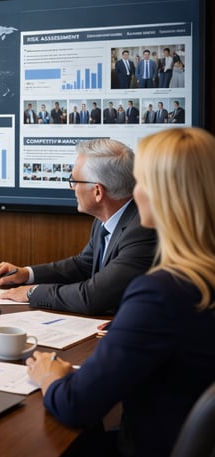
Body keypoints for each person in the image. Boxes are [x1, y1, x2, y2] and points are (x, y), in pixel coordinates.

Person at [26, 127, 215, 457]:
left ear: (161, 195)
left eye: (139, 182)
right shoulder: (200, 279)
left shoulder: (161, 293)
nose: (132, 193)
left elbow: (76, 405)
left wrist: (50, 376)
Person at [0, 138, 157, 315]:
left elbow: (92, 296)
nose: (72, 188)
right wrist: (27, 274)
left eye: (75, 181)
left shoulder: (142, 229)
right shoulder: (107, 218)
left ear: (97, 192)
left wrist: (32, 292)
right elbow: (83, 265)